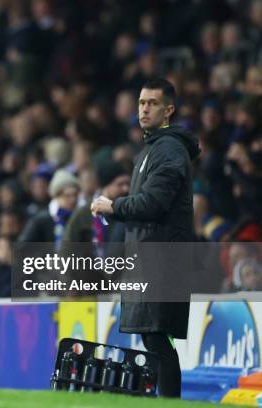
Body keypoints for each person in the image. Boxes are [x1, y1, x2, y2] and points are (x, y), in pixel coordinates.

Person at [91, 78, 200, 398]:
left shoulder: (169, 150)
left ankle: (170, 403)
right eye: (141, 103)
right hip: (150, 257)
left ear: (169, 110)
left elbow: (154, 203)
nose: (144, 109)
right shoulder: (152, 149)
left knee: (156, 339)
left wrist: (113, 206)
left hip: (162, 259)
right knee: (153, 339)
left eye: (152, 103)